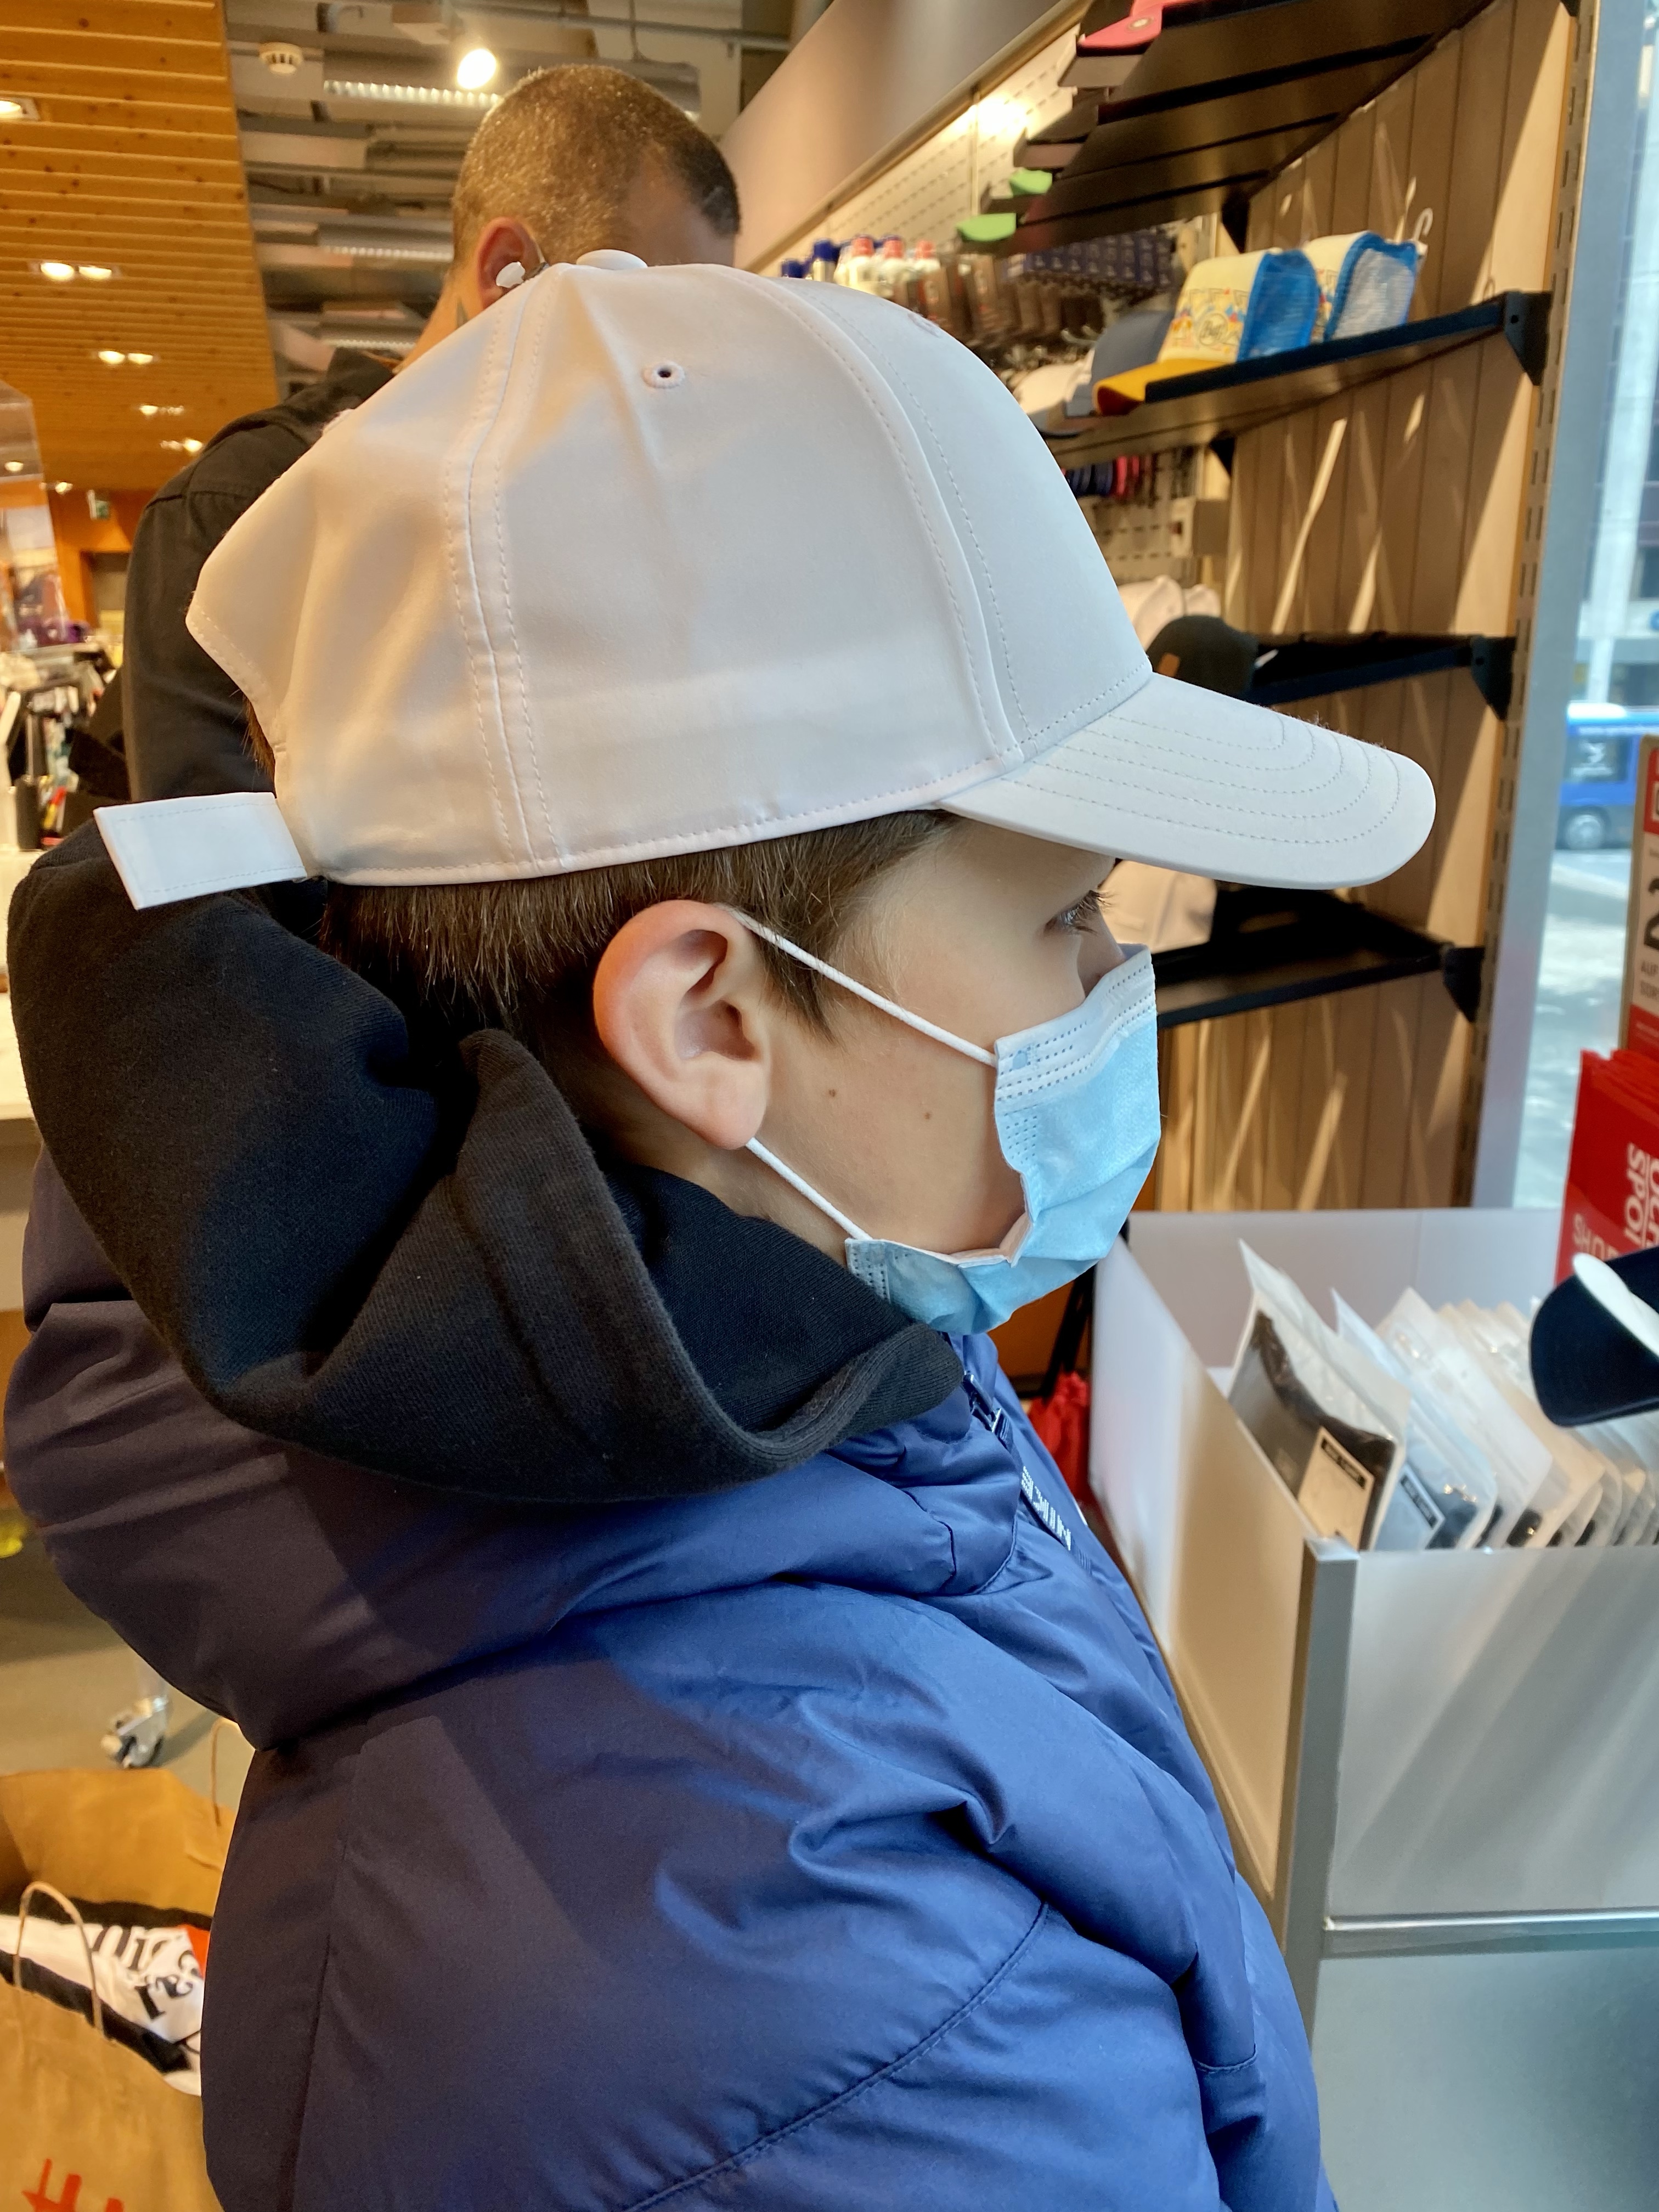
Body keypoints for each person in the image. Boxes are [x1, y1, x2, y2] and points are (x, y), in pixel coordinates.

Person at [7, 258, 1434, 2210]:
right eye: (1066, 917)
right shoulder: (829, 1997)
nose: (1119, 985)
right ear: (710, 1021)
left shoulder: (773, 1341)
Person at [123, 64, 738, 802]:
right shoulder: (242, 507)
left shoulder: (583, 511)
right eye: (641, 313)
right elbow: (217, 862)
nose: (666, 366)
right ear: (509, 271)